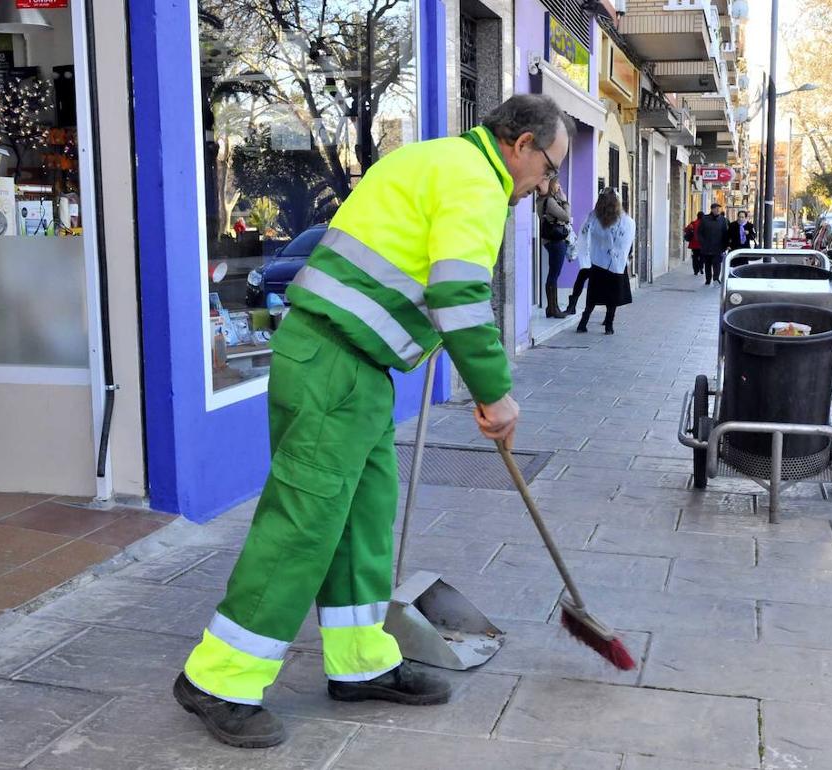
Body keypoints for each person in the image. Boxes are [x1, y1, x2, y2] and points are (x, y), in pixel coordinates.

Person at [172, 94, 571, 749]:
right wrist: (496, 394)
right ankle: (219, 679)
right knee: (303, 523)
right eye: (549, 166)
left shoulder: (430, 159)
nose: (544, 184)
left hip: (350, 365)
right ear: (522, 144)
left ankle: (359, 660)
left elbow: (412, 272)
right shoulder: (475, 180)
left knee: (362, 516)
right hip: (335, 361)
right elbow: (459, 295)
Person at [575, 188, 635, 335]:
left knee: (593, 296)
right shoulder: (624, 220)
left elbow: (584, 235)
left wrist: (586, 258)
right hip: (615, 265)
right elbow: (625, 242)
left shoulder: (594, 217)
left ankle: (583, 323)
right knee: (612, 298)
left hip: (597, 263)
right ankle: (609, 325)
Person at [538, 179, 571, 318]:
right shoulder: (550, 201)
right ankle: (552, 308)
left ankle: (552, 307)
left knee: (553, 273)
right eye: (557, 183)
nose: (560, 186)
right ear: (552, 185)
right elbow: (566, 216)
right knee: (554, 274)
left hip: (549, 240)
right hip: (556, 240)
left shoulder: (542, 200)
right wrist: (565, 201)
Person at [696, 203, 729, 285]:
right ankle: (708, 279)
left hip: (718, 247)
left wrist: (726, 245)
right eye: (716, 208)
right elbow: (699, 232)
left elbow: (725, 233)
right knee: (707, 264)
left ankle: (716, 278)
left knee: (717, 264)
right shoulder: (705, 219)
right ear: (712, 209)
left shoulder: (723, 220)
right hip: (706, 246)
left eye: (719, 209)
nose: (718, 210)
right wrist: (702, 242)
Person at [683, 211, 704, 276]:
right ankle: (701, 267)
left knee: (695, 257)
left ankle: (695, 270)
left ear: (697, 216)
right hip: (702, 244)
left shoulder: (693, 223)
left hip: (694, 244)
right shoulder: (705, 224)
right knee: (702, 257)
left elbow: (686, 230)